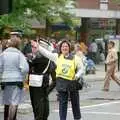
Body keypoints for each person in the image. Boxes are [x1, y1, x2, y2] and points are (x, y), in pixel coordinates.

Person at [38, 39, 84, 120]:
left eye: (66, 46)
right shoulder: (57, 57)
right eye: (63, 46)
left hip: (72, 83)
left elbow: (81, 68)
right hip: (61, 83)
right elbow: (47, 53)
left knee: (75, 103)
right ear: (60, 48)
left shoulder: (75, 58)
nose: (64, 48)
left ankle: (77, 118)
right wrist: (38, 47)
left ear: (69, 48)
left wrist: (77, 75)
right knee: (62, 104)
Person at [0, 37, 29, 120]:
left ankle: (6, 118)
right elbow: (25, 69)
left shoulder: (3, 54)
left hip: (5, 80)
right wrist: (21, 75)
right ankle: (12, 118)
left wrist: (3, 73)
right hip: (17, 80)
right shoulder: (19, 54)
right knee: (14, 102)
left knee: (7, 102)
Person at [29, 40, 56, 120]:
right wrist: (49, 89)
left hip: (36, 84)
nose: (33, 49)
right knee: (44, 101)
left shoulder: (38, 59)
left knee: (37, 105)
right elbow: (55, 78)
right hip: (45, 84)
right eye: (33, 47)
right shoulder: (48, 59)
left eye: (35, 47)